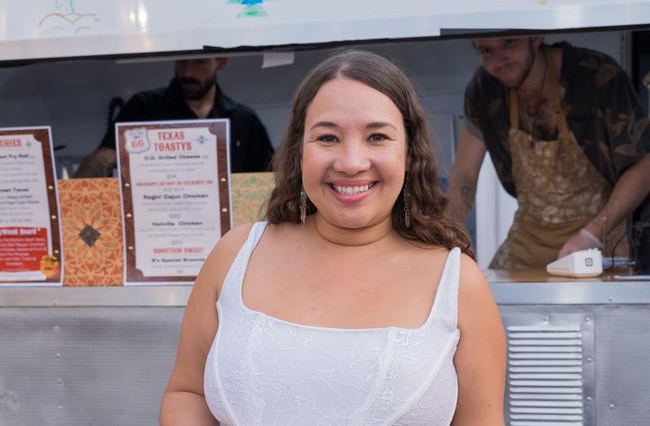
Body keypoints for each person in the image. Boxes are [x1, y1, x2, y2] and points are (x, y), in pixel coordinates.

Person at [160, 50, 506, 426]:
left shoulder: (458, 283)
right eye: (327, 137)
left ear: (408, 152)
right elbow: (187, 392)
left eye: (377, 136)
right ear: (298, 152)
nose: (351, 162)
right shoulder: (235, 254)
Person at [447, 36, 650, 270]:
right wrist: (446, 242)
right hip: (528, 240)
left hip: (596, 241)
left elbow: (644, 167)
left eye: (509, 43)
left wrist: (591, 235)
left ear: (534, 38)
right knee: (496, 301)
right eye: (486, 50)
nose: (499, 60)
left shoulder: (597, 75)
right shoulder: (484, 89)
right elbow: (464, 175)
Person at [74, 57, 275, 177]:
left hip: (228, 230)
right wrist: (78, 194)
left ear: (221, 61)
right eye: (182, 62)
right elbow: (105, 158)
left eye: (199, 62)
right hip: (155, 225)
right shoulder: (143, 107)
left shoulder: (243, 119)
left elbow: (269, 177)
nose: (187, 72)